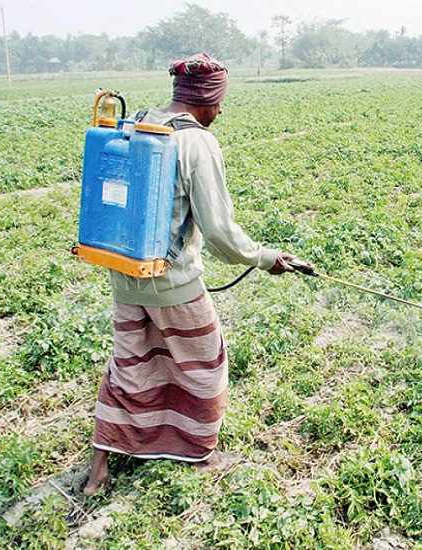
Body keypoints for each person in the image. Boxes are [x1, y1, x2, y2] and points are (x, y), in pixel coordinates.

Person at [84, 53, 299, 495]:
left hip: (124, 273)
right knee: (206, 366)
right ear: (208, 98)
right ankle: (200, 452)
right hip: (173, 283)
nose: (221, 111)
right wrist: (265, 258)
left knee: (130, 366)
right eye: (220, 102)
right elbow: (219, 232)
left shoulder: (140, 122)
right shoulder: (197, 143)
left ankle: (99, 467)